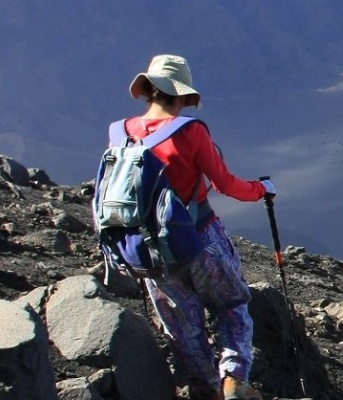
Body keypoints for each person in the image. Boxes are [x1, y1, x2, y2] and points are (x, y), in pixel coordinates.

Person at [112, 54, 272, 400]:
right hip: (199, 238)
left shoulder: (119, 135)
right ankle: (233, 380)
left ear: (148, 90)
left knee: (183, 328)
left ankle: (205, 390)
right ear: (182, 96)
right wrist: (262, 189)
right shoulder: (191, 132)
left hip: (150, 252)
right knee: (231, 305)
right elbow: (226, 184)